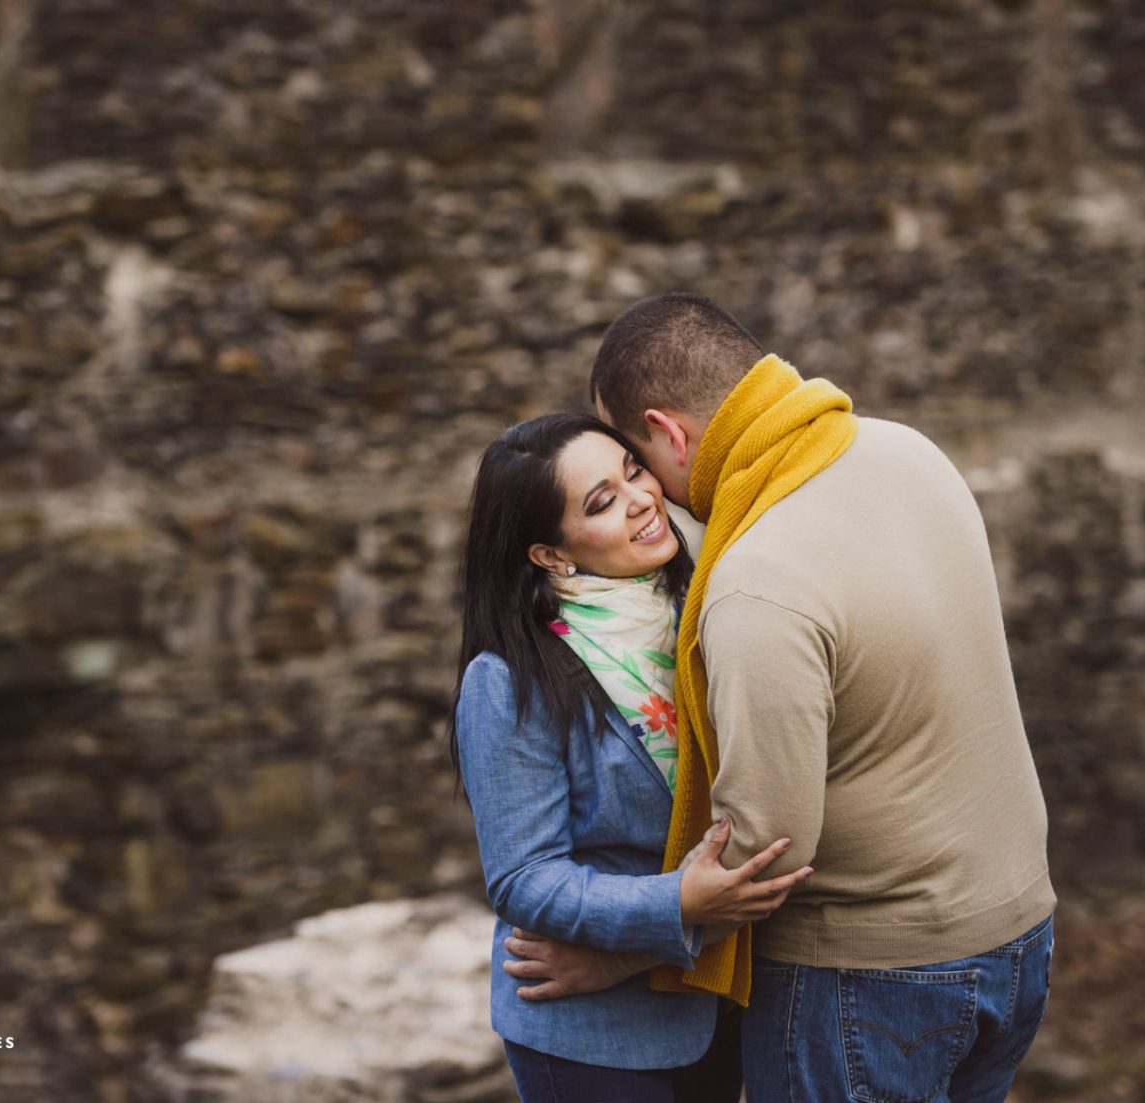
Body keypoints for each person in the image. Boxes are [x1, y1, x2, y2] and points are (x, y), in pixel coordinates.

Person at [508, 293, 1057, 1103]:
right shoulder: (906, 450)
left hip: (870, 981)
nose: (646, 492)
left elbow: (766, 853)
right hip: (1019, 939)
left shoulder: (757, 585)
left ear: (668, 434)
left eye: (635, 457)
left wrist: (620, 959)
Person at [449, 411, 814, 1103]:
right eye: (601, 501)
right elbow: (525, 878)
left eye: (634, 470)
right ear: (550, 554)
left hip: (715, 998)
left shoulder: (704, 607)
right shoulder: (508, 677)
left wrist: (635, 951)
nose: (642, 498)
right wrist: (677, 902)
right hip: (590, 1035)